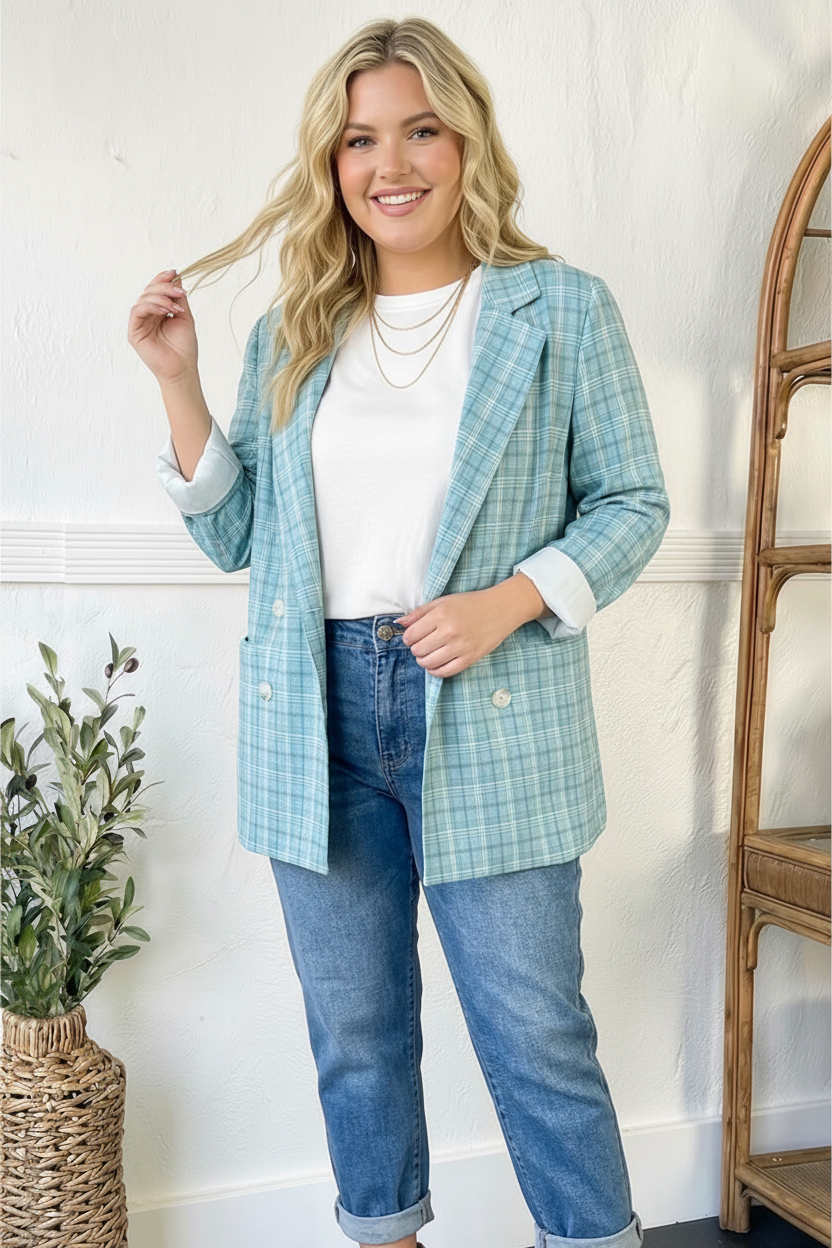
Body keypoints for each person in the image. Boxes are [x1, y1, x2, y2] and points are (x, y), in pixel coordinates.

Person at [128, 17, 670, 1248]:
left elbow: (634, 503)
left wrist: (508, 600)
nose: (392, 163)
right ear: (331, 165)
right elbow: (237, 537)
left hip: (492, 706)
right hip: (314, 718)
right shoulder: (295, 331)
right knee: (355, 1034)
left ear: (466, 141)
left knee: (535, 1034)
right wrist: (176, 381)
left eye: (420, 130)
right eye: (360, 139)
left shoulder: (557, 309)